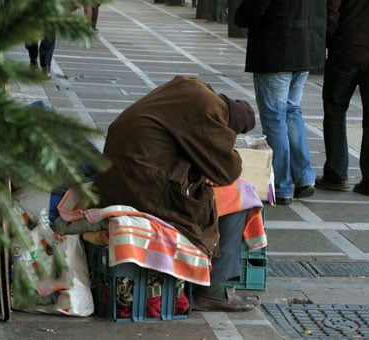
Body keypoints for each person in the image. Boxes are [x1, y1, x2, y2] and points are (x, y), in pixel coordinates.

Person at [92, 75, 261, 312]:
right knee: (240, 194)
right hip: (141, 187)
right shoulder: (209, 109)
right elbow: (229, 170)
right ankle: (213, 290)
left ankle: (205, 282)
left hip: (116, 177)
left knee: (219, 190)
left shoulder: (190, 88)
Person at [235, 1, 326, 205]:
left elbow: (254, 7)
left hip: (277, 47)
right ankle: (304, 177)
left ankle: (282, 185)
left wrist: (240, 16)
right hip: (307, 46)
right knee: (292, 111)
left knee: (275, 117)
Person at [315, 0, 369, 197]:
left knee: (335, 109)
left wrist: (328, 39)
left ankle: (336, 174)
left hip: (346, 47)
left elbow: (332, 10)